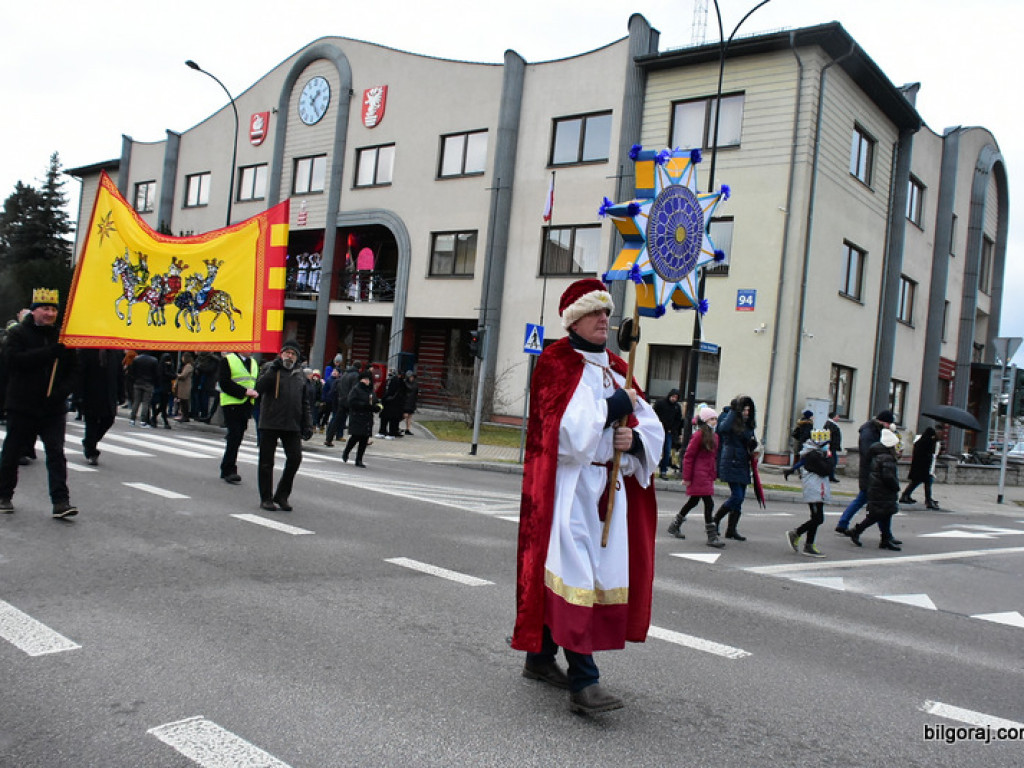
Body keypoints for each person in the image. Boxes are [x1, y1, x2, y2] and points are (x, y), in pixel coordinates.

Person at [511, 278, 661, 716]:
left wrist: (633, 442)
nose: (604, 319)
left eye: (606, 312)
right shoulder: (556, 362)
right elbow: (565, 434)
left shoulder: (619, 365)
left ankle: (539, 658)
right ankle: (584, 680)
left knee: (589, 575)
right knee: (573, 574)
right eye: (595, 312)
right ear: (574, 319)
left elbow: (651, 426)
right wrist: (614, 408)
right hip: (569, 489)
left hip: (609, 487)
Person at [0, 289, 79, 518]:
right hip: (22, 404)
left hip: (52, 408)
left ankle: (61, 501)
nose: (50, 313)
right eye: (45, 308)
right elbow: (15, 362)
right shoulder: (18, 334)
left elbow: (74, 371)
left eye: (53, 309)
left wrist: (61, 393)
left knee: (55, 453)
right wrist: (48, 353)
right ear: (34, 311)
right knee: (12, 452)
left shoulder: (63, 338)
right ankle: (4, 494)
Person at [254, 340, 313, 511]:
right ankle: (266, 498)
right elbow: (259, 388)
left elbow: (305, 402)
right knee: (266, 462)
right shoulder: (270, 368)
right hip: (270, 422)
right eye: (287, 352)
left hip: (292, 424)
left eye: (293, 354)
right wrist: (273, 370)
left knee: (295, 459)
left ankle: (281, 495)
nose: (289, 356)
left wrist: (307, 424)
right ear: (281, 354)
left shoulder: (300, 374)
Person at [668, 406, 723, 548]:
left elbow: (713, 458)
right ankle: (712, 536)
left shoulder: (714, 436)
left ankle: (675, 525)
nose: (714, 421)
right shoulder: (699, 435)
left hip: (706, 474)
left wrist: (714, 473)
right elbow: (689, 456)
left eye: (715, 419)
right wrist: (686, 477)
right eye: (711, 419)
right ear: (705, 420)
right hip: (699, 474)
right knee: (708, 503)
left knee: (693, 501)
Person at [835, 410, 894, 535]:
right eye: (888, 423)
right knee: (876, 503)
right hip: (871, 472)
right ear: (882, 421)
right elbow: (869, 452)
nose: (889, 427)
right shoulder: (868, 432)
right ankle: (844, 523)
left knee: (876, 503)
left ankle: (886, 534)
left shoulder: (874, 430)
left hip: (873, 472)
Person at [849, 428, 903, 551]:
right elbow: (888, 476)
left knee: (884, 514)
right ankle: (857, 531)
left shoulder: (878, 454)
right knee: (876, 515)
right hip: (883, 491)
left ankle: (885, 539)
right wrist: (896, 487)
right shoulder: (887, 458)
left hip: (877, 489)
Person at [713, 395, 758, 541]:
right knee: (736, 496)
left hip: (743, 462)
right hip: (731, 461)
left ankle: (731, 529)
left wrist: (753, 446)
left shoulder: (748, 423)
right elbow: (722, 429)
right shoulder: (729, 417)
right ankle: (716, 520)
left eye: (749, 410)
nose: (746, 412)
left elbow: (749, 440)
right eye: (744, 409)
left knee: (740, 498)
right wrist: (733, 410)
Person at [786, 430, 833, 558]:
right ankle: (796, 533)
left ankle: (809, 545)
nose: (827, 446)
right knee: (818, 518)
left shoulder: (817, 454)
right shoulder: (813, 456)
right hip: (814, 490)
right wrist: (829, 458)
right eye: (826, 443)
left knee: (816, 518)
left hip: (818, 489)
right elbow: (826, 470)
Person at [76, 348, 125, 466]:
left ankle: (89, 442)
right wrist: (78, 395)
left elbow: (120, 375)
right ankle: (91, 452)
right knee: (91, 423)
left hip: (109, 394)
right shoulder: (87, 351)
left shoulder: (116, 353)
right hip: (91, 394)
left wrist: (121, 394)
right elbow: (80, 374)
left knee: (109, 420)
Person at [217, 350, 259, 484]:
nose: (251, 350)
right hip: (231, 402)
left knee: (238, 436)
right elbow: (223, 383)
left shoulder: (253, 362)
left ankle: (226, 467)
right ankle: (229, 469)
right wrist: (244, 392)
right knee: (234, 435)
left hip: (246, 404)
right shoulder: (228, 360)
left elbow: (254, 381)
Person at [342, 369, 378, 467]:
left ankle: (359, 459)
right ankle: (346, 452)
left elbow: (375, 401)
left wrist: (376, 407)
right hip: (358, 416)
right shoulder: (356, 389)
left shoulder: (371, 390)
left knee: (364, 439)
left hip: (368, 417)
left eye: (368, 379)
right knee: (355, 437)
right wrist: (364, 405)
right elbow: (351, 402)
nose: (366, 381)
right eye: (365, 379)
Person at [901, 426, 940, 509]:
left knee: (916, 482)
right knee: (927, 483)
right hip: (924, 467)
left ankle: (905, 495)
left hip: (918, 467)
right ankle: (928, 501)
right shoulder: (928, 442)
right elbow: (930, 455)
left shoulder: (920, 441)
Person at [324, 361, 359, 447]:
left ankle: (329, 438)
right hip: (350, 400)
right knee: (356, 420)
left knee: (336, 420)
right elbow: (355, 389)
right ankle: (361, 439)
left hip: (341, 400)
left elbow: (339, 386)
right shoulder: (356, 376)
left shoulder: (345, 374)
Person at [653, 389, 683, 480]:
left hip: (669, 432)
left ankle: (663, 471)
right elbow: (653, 414)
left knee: (667, 451)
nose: (674, 399)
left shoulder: (677, 407)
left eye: (676, 398)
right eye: (673, 396)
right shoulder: (660, 403)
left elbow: (678, 420)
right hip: (658, 430)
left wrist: (675, 431)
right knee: (655, 451)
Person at [128, 350, 158, 427]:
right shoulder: (154, 360)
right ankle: (143, 421)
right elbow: (156, 373)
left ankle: (132, 419)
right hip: (148, 383)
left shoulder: (136, 359)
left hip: (138, 382)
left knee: (136, 401)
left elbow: (132, 371)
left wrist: (134, 379)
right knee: (146, 402)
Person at [149, 352, 175, 429]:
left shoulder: (168, 367)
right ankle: (157, 419)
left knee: (163, 405)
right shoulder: (160, 367)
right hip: (160, 388)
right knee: (157, 404)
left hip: (164, 388)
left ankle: (154, 418)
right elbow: (169, 375)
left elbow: (173, 375)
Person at [380, 369, 407, 438]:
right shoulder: (399, 381)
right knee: (394, 419)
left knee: (385, 418)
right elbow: (403, 393)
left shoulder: (389, 380)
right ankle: (392, 432)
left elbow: (387, 391)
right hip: (395, 404)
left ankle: (382, 432)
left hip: (388, 402)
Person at [174, 352, 194, 422]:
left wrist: (176, 375)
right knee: (182, 401)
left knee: (184, 401)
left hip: (185, 386)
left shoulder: (188, 366)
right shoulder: (187, 366)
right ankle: (183, 415)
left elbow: (183, 375)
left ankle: (185, 416)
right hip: (183, 385)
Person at [826, 410, 843, 482]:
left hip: (833, 446)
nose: (838, 418)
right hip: (831, 446)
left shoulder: (833, 424)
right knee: (833, 461)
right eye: (837, 417)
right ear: (833, 417)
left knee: (833, 461)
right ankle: (830, 476)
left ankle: (831, 476)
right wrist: (829, 444)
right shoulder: (830, 425)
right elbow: (829, 436)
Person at [402, 370, 419, 435]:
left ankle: (408, 429)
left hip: (412, 401)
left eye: (412, 377)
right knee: (404, 415)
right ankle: (396, 426)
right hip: (406, 401)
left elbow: (416, 392)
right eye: (410, 377)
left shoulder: (415, 383)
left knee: (410, 416)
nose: (411, 378)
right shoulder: (405, 383)